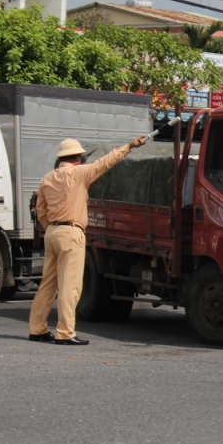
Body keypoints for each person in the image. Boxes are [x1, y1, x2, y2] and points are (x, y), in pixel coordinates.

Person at [28, 136, 146, 345]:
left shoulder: (47, 178)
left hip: (52, 232)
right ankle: (65, 332)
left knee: (48, 283)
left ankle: (37, 328)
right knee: (70, 285)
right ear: (78, 158)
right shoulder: (80, 174)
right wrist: (128, 146)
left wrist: (51, 226)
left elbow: (41, 211)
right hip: (71, 232)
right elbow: (106, 162)